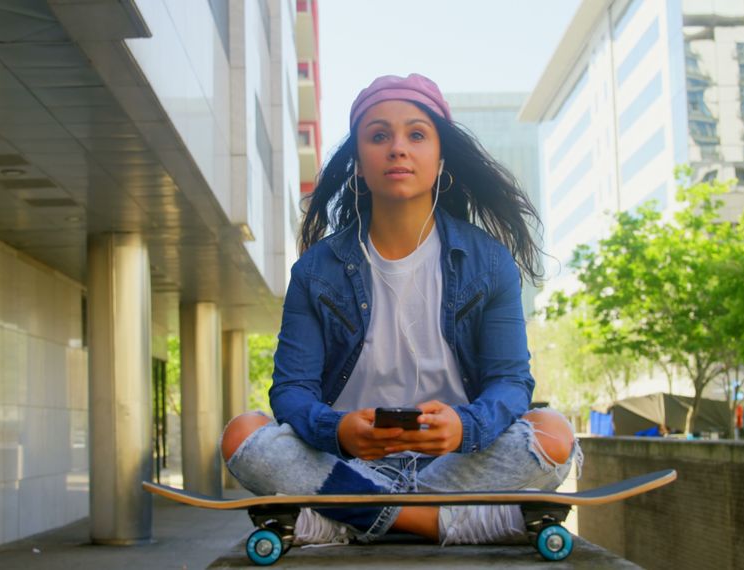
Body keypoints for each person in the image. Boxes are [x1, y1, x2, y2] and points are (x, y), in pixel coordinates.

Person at [218, 74, 581, 547]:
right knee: (241, 435)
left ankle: (344, 518)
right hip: (347, 462)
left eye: (416, 134)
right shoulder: (315, 270)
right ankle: (446, 522)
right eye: (378, 135)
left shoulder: (489, 261)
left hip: (455, 462)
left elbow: (511, 383)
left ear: (440, 157)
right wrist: (339, 430)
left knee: (553, 434)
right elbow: (292, 390)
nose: (398, 148)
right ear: (359, 166)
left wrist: (465, 427)